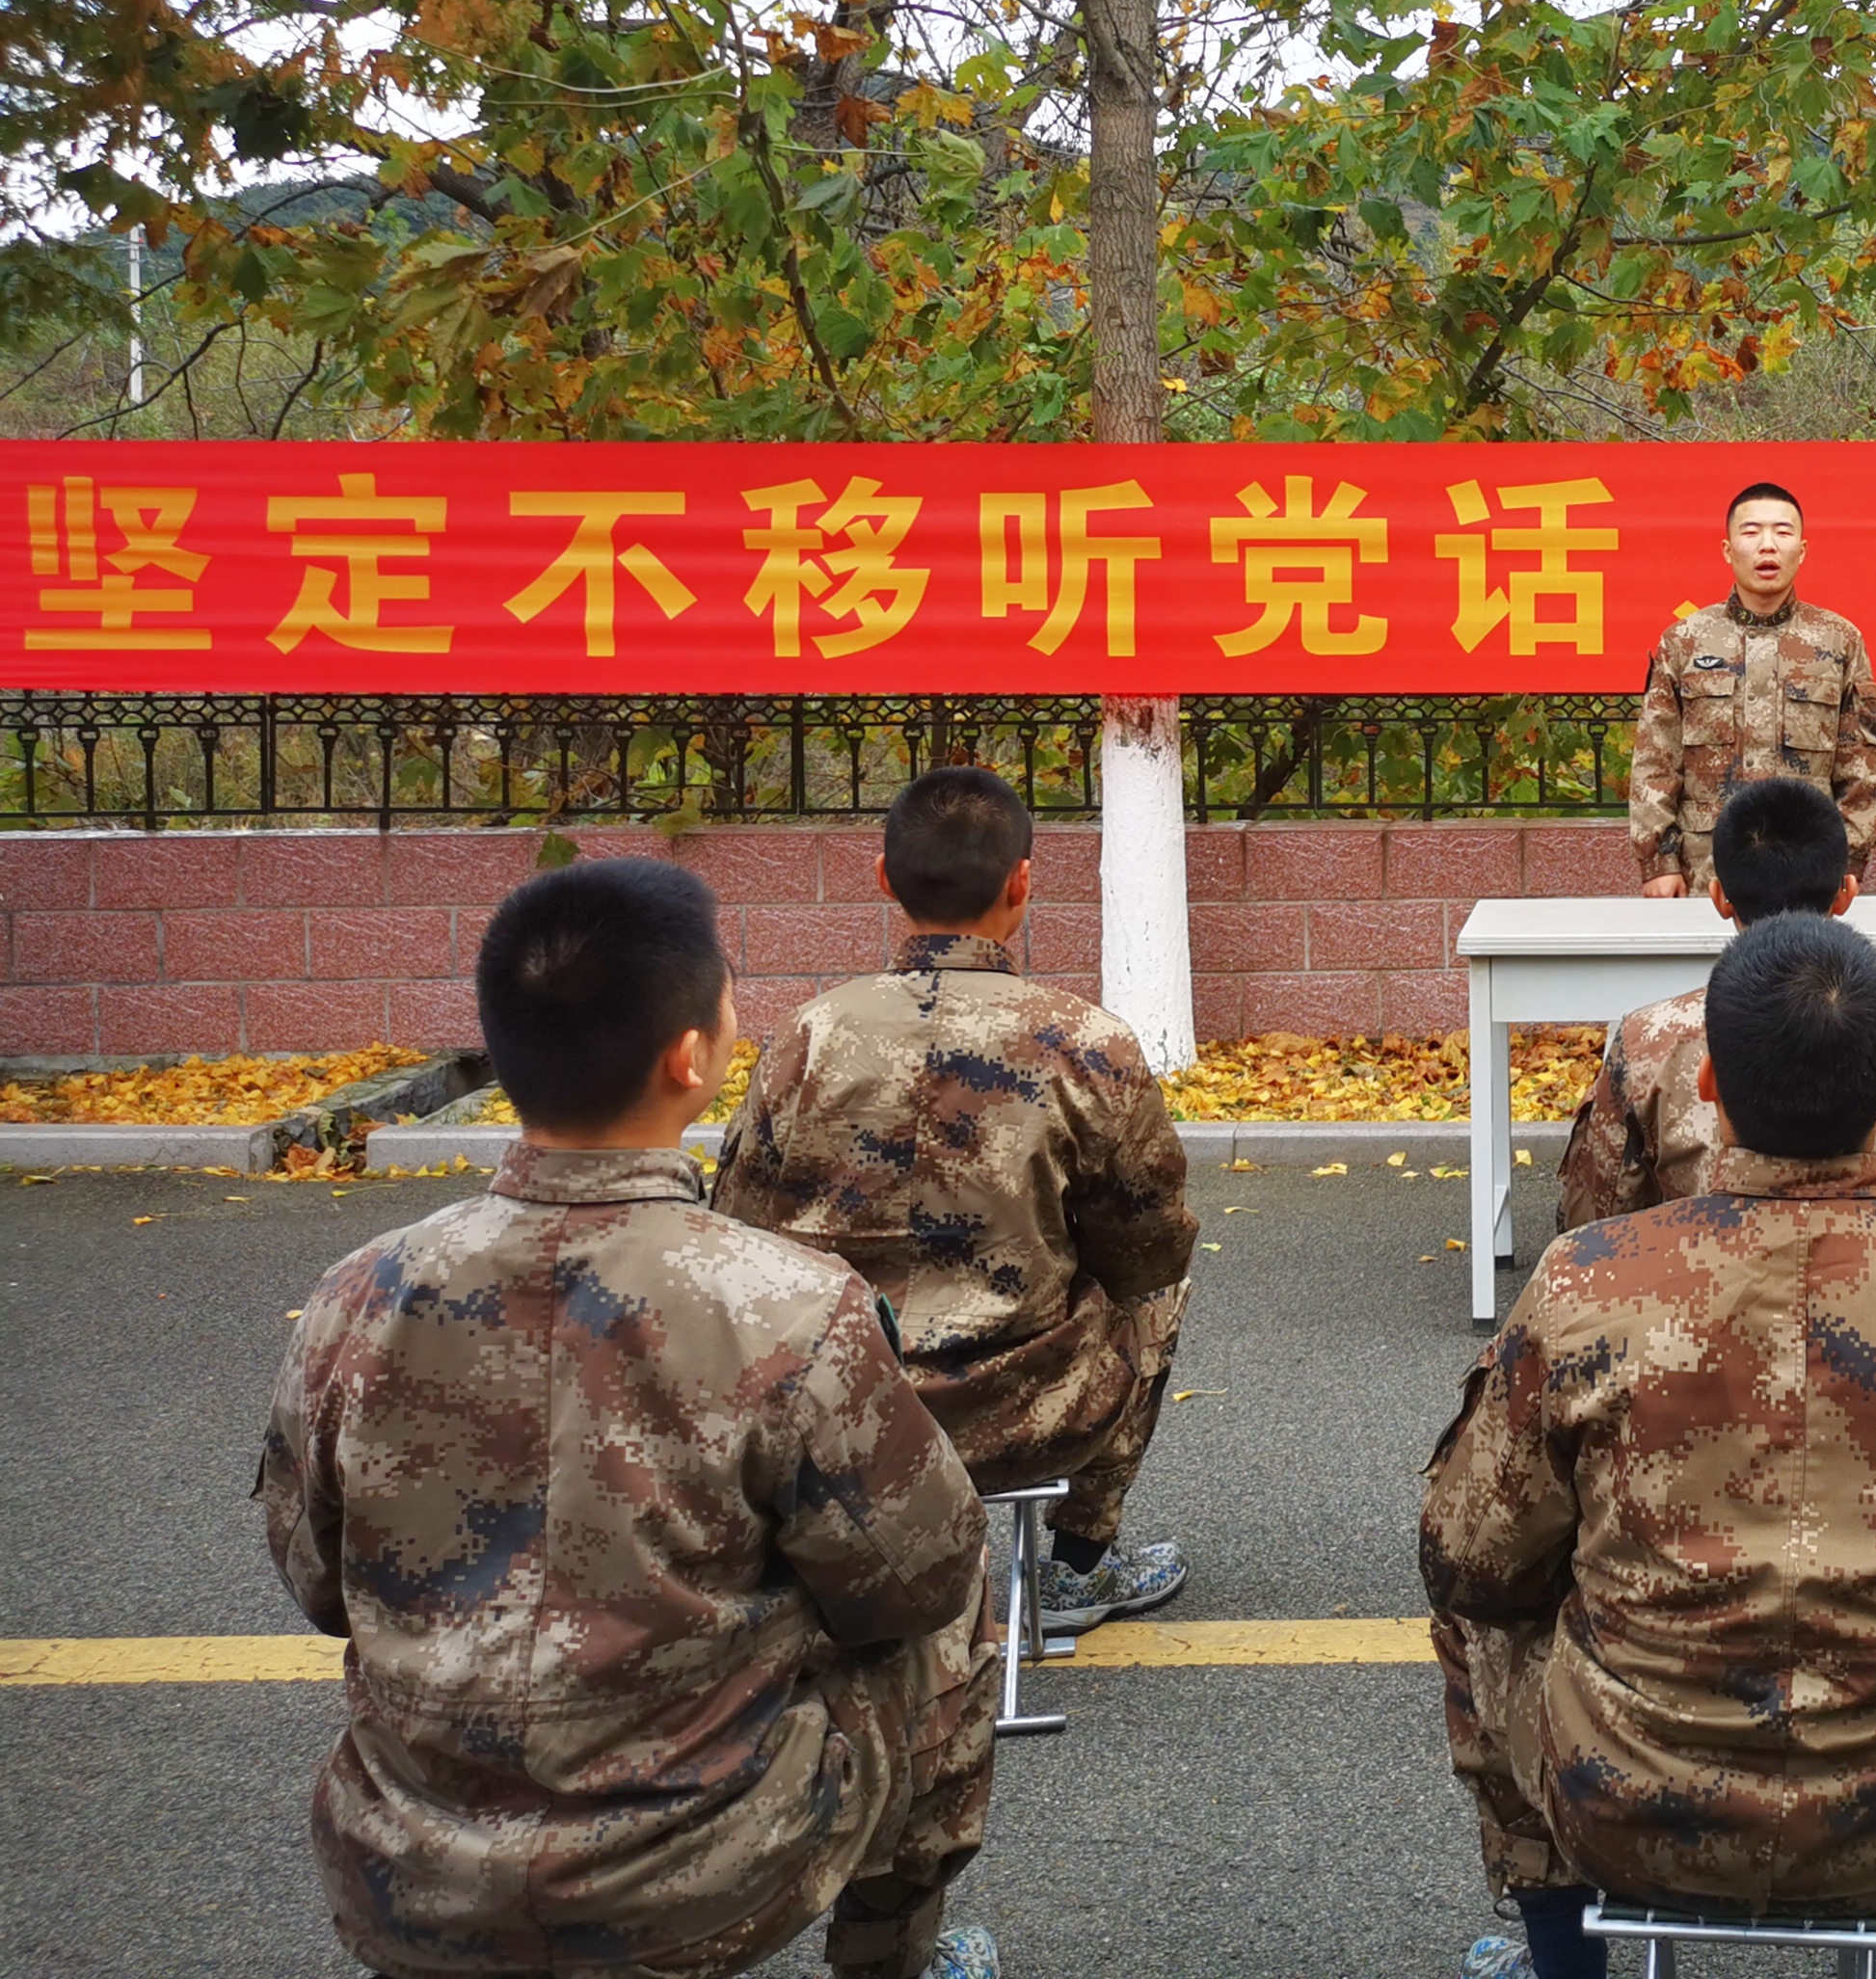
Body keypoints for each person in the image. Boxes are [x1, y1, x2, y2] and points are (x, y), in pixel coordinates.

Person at [261, 861, 998, 1979]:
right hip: (696, 1878)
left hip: (406, 1874)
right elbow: (919, 1577)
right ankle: (892, 1955)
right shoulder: (791, 1307)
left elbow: (318, 1582)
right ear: (690, 1057)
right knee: (958, 1602)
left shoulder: (354, 1295)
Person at [1425, 913, 1876, 1979]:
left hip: (1624, 1802)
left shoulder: (1584, 1282)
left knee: (1476, 1623)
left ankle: (1559, 1948)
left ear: (1706, 1085)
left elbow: (1472, 1561)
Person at [713, 765, 1200, 1635]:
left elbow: (740, 1226)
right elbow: (1150, 1243)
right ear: (1023, 881)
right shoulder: (1087, 1042)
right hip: (1028, 1410)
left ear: (884, 879)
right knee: (1159, 1292)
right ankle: (1077, 1565)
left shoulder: (806, 1037)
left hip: (839, 1406)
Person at [1561, 775, 1876, 1233]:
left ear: (1718, 898)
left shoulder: (1644, 1039)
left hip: (1690, 1290)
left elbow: (1592, 1220)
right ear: (1846, 892)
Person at [1628, 479, 1876, 898]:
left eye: (1783, 532)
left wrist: (1850, 859)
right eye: (1751, 532)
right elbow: (1656, 760)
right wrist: (1658, 861)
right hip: (1707, 869)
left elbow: (1861, 766)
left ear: (1801, 551)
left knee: (1802, 965)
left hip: (1810, 866)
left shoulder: (1839, 640)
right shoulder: (1684, 641)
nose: (1768, 545)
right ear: (1728, 550)